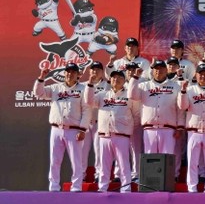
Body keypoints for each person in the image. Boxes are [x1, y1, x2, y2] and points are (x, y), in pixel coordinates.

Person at [33, 62, 89, 192]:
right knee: (55, 160)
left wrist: (82, 129)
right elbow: (39, 93)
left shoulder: (83, 89)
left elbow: (86, 110)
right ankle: (54, 187)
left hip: (74, 130)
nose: (70, 74)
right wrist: (41, 77)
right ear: (64, 73)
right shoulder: (55, 88)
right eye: (68, 71)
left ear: (78, 74)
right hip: (56, 129)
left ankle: (76, 187)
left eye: (73, 72)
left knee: (76, 161)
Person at [85, 69, 139, 192]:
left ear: (124, 80)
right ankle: (102, 188)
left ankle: (126, 188)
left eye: (120, 77)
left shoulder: (129, 96)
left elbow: (136, 115)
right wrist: (90, 84)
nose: (116, 79)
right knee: (104, 165)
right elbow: (89, 101)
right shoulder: (102, 95)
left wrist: (129, 128)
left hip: (122, 135)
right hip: (104, 135)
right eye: (114, 77)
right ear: (110, 80)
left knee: (124, 164)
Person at [178, 64, 205, 193]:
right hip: (194, 131)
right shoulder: (189, 89)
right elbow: (182, 106)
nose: (203, 76)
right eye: (200, 74)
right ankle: (192, 187)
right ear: (196, 75)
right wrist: (183, 91)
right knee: (192, 162)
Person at [128, 59, 183, 155]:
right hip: (149, 129)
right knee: (150, 158)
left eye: (161, 68)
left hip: (168, 129)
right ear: (152, 71)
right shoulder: (144, 85)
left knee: (167, 158)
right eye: (156, 69)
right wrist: (135, 77)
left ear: (166, 70)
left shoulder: (175, 86)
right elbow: (132, 95)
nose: (158, 71)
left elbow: (179, 108)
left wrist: (180, 127)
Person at [80, 61, 109, 183]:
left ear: (102, 72)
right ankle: (81, 175)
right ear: (89, 71)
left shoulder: (108, 85)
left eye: (98, 69)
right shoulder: (82, 85)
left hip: (100, 122)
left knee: (99, 150)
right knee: (82, 150)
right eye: (93, 69)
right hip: (85, 123)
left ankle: (99, 175)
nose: (95, 72)